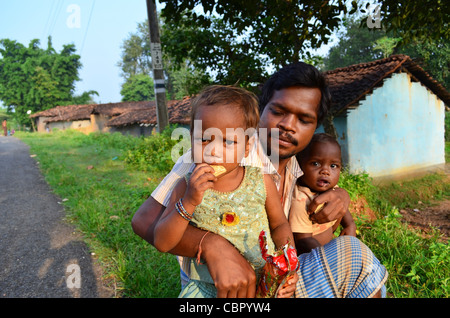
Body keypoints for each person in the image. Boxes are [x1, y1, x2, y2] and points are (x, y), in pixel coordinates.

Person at [132, 62, 387, 298]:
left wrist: (342, 195)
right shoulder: (215, 153)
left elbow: (285, 225)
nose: (288, 125)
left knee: (356, 257)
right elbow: (144, 221)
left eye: (303, 119)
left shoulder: (301, 164)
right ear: (261, 111)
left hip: (273, 281)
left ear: (314, 127)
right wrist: (211, 244)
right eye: (279, 111)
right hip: (216, 286)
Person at [153, 85, 298, 298]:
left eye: (228, 141)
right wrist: (189, 201)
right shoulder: (186, 185)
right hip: (206, 289)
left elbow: (279, 225)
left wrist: (289, 267)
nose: (213, 150)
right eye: (203, 139)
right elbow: (162, 242)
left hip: (264, 285)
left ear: (247, 147)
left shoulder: (260, 181)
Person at [289, 133, 356, 255]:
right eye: (315, 163)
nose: (325, 171)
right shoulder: (301, 200)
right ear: (299, 165)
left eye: (333, 166)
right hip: (311, 257)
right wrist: (326, 256)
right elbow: (303, 240)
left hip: (327, 247)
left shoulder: (333, 190)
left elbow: (342, 208)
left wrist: (349, 224)